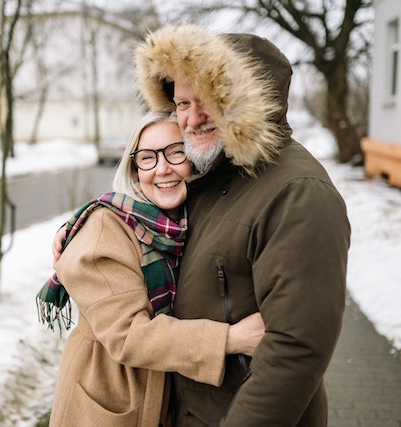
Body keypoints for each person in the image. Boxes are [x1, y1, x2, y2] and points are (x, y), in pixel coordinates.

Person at [132, 24, 352, 426]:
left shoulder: (297, 193)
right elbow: (147, 216)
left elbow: (294, 352)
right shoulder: (209, 176)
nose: (192, 119)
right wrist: (87, 228)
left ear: (249, 102)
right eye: (181, 104)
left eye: (208, 101)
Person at [37, 111, 264, 427]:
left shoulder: (182, 223)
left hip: (163, 394)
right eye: (147, 158)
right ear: (134, 171)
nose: (162, 168)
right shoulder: (105, 230)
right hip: (109, 395)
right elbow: (128, 335)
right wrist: (231, 339)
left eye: (175, 152)